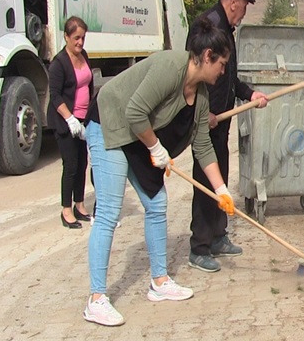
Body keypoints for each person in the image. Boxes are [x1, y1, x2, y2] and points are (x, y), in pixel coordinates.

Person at [82, 18, 237, 326]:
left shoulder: (202, 95)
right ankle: (96, 300)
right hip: (110, 123)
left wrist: (221, 190)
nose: (223, 71)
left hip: (137, 134)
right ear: (207, 56)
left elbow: (203, 146)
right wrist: (155, 148)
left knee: (157, 204)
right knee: (110, 211)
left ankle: (159, 283)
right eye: (221, 64)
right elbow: (134, 111)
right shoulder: (170, 67)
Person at [186, 0, 268, 273]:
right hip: (207, 120)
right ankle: (199, 247)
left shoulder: (227, 29)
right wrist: (201, 112)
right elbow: (193, 72)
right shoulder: (206, 25)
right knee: (206, 182)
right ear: (233, 1)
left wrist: (250, 93)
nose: (243, 14)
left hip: (222, 120)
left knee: (220, 176)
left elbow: (229, 78)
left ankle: (218, 236)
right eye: (243, 8)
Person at [48, 16, 93, 229]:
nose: (80, 43)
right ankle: (66, 210)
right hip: (66, 122)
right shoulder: (58, 64)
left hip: (83, 119)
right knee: (71, 165)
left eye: (83, 38)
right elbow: (55, 96)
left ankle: (80, 205)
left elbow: (88, 85)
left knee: (83, 163)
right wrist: (70, 119)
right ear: (66, 37)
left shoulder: (83, 56)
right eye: (76, 38)